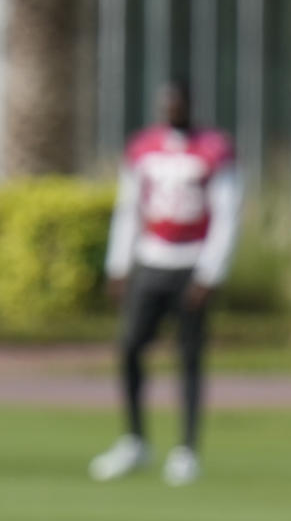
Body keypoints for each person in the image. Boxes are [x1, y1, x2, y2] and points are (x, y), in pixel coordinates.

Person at [90, 81, 243, 487]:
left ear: (190, 103)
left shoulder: (213, 148)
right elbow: (129, 208)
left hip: (191, 265)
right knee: (129, 348)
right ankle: (135, 439)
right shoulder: (144, 147)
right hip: (151, 262)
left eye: (178, 100)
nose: (172, 107)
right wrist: (118, 265)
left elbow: (226, 212)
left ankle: (186, 450)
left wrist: (211, 271)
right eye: (166, 101)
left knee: (189, 359)